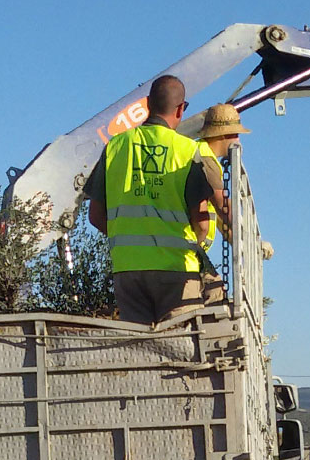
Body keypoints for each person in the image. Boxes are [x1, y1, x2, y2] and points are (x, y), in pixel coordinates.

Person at [85, 75, 222, 324]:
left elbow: (95, 216)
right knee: (179, 348)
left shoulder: (115, 147)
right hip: (178, 271)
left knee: (140, 352)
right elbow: (202, 223)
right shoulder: (188, 151)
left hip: (128, 271)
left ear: (147, 104)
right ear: (181, 109)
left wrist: (130, 239)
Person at [194, 103, 250, 304]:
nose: (238, 140)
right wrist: (251, 239)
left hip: (189, 247)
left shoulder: (202, 154)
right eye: (236, 134)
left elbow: (222, 221)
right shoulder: (205, 158)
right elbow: (224, 207)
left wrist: (243, 243)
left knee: (215, 291)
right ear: (225, 135)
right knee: (215, 294)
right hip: (186, 247)